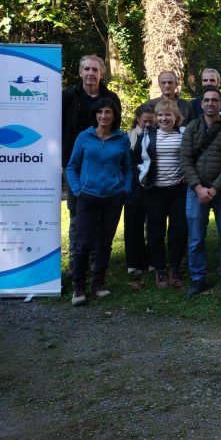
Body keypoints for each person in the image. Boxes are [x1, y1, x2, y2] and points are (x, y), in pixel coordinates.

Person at [65, 97, 131, 306]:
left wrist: (125, 188)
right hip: (87, 197)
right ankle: (78, 286)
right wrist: (77, 190)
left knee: (105, 242)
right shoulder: (84, 137)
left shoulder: (122, 139)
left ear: (114, 115)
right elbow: (71, 167)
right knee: (83, 243)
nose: (103, 116)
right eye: (99, 112)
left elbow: (128, 168)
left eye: (108, 112)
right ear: (95, 115)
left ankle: (98, 283)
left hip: (113, 197)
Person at [181, 87, 221, 295]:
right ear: (201, 104)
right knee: (196, 238)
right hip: (195, 191)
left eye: (214, 100)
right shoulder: (191, 127)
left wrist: (215, 189)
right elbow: (185, 160)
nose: (210, 104)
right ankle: (197, 278)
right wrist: (199, 188)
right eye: (206, 100)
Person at [62, 55, 122, 262]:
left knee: (101, 215)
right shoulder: (68, 97)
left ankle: (96, 261)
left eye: (95, 70)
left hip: (104, 166)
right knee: (76, 213)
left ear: (101, 74)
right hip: (76, 166)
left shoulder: (111, 98)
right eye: (86, 69)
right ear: (80, 72)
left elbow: (116, 129)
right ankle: (76, 260)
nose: (90, 73)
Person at [138, 100, 188, 288]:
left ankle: (174, 269)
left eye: (168, 115)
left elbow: (190, 156)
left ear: (176, 117)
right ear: (156, 118)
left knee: (179, 231)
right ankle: (160, 270)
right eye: (160, 115)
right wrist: (141, 176)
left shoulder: (183, 134)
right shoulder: (148, 134)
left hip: (177, 191)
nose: (164, 118)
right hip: (154, 191)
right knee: (155, 232)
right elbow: (137, 158)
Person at [125, 104, 155, 278]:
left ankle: (152, 260)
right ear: (138, 119)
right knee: (133, 225)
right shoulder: (128, 137)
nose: (149, 124)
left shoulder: (157, 135)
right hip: (133, 186)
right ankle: (133, 262)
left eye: (152, 121)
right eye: (145, 121)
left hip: (152, 187)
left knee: (153, 225)